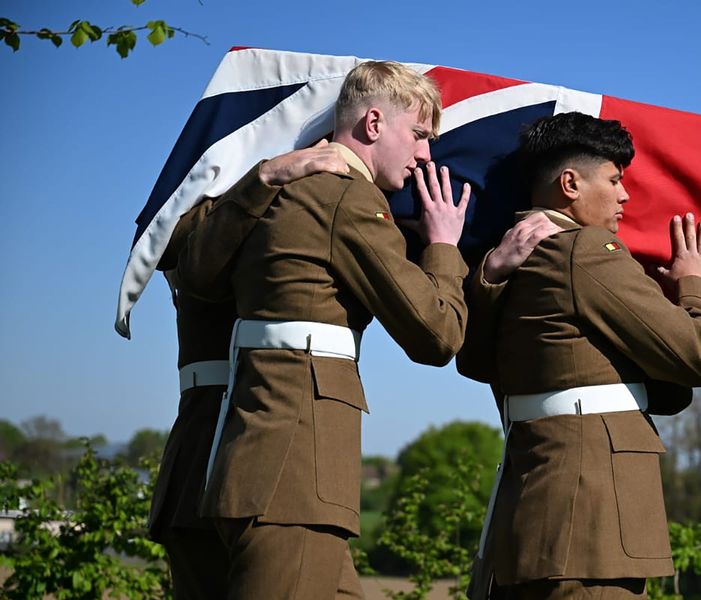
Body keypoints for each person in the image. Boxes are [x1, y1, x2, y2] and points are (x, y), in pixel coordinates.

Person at [176, 60, 553, 599]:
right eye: (419, 135)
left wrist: (262, 177)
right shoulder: (345, 197)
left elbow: (198, 275)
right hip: (293, 473)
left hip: (267, 466)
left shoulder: (279, 186)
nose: (427, 154)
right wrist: (444, 246)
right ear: (373, 124)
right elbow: (437, 335)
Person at [456, 111, 701, 599]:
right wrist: (695, 284)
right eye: (615, 180)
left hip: (533, 517)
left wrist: (487, 279)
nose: (625, 196)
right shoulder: (586, 250)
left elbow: (473, 360)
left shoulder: (511, 257)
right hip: (590, 528)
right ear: (570, 184)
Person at [148, 143, 351, 599]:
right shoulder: (212, 218)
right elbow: (171, 247)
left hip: (237, 456)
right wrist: (267, 178)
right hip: (239, 455)